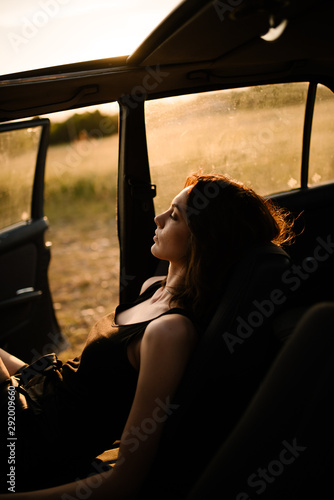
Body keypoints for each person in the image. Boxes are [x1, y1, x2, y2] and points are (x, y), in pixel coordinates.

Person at [0, 172, 294, 499]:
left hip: (27, 440)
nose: (157, 218)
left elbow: (125, 481)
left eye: (174, 216)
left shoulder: (170, 332)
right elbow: (80, 387)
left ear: (202, 238)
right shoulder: (151, 289)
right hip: (28, 396)